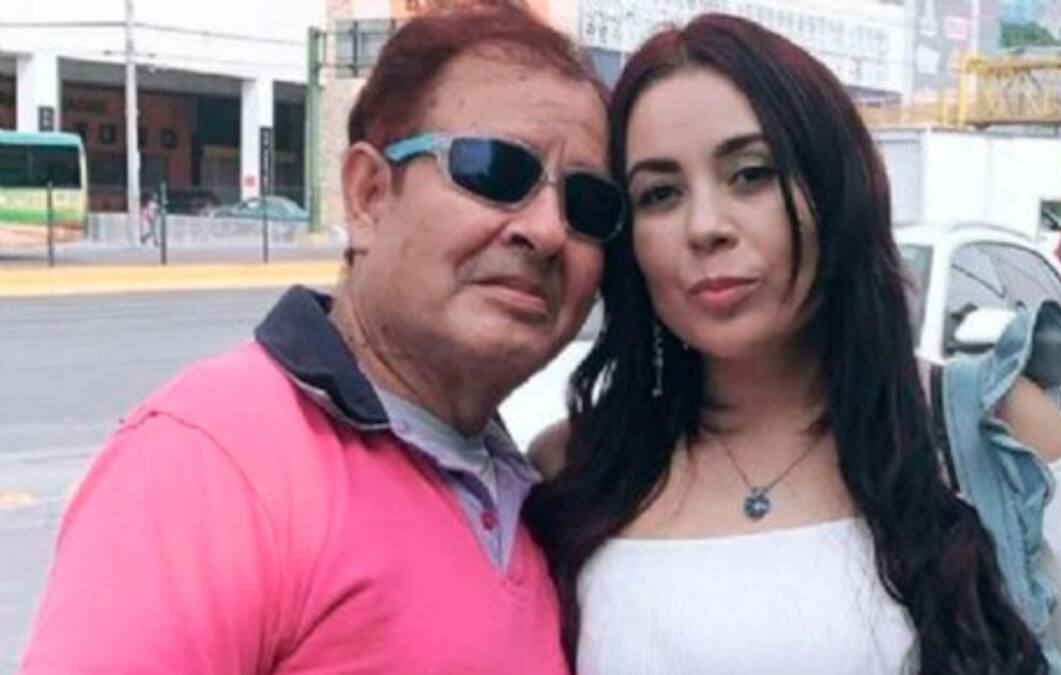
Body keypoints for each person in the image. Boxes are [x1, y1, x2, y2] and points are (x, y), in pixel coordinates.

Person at [525, 13, 1061, 675]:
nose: (705, 226)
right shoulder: (574, 469)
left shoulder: (994, 440)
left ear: (835, 190)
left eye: (750, 174)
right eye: (660, 193)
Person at [20, 3, 625, 673]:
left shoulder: (540, 494)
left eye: (587, 204)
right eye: (495, 170)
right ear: (368, 195)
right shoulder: (215, 458)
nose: (546, 230)